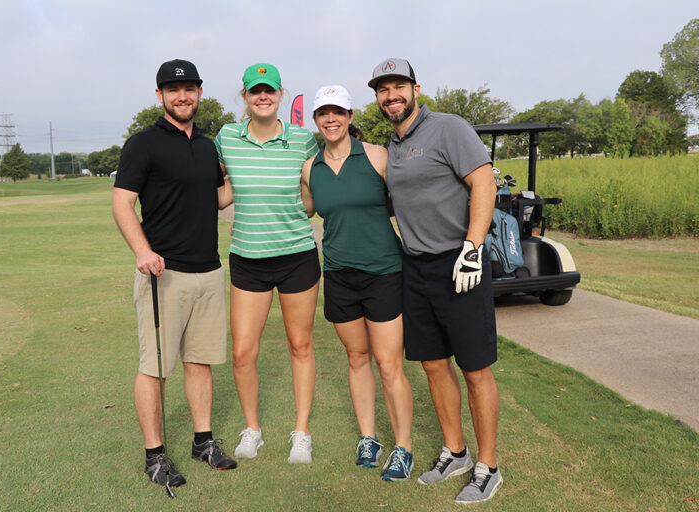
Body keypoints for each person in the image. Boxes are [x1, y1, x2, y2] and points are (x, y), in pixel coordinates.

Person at [367, 58, 503, 504]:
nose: (392, 96)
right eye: (384, 90)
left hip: (460, 261)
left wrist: (473, 246)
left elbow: (484, 182)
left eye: (399, 86)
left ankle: (488, 467)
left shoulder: (448, 127)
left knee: (475, 368)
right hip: (417, 267)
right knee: (432, 363)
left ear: (415, 88)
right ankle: (456, 451)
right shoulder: (394, 144)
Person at [112, 59, 236, 489]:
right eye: (173, 89)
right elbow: (122, 203)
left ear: (200, 92)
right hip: (163, 273)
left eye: (189, 88)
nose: (182, 95)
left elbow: (217, 198)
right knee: (155, 367)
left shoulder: (207, 147)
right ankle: (155, 455)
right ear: (160, 95)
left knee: (200, 362)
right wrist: (142, 251)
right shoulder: (142, 144)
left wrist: (258, 177)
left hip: (209, 271)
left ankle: (203, 442)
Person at [300, 85, 414, 481]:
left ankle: (403, 447)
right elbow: (303, 209)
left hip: (383, 271)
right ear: (316, 121)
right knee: (357, 358)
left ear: (350, 117)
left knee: (388, 363)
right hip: (338, 273)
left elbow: (410, 202)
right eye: (322, 113)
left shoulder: (378, 157)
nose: (330, 119)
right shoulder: (309, 168)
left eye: (338, 112)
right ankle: (369, 437)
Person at [214, 63, 320, 464]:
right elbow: (220, 187)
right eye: (255, 91)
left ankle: (301, 432)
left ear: (279, 94)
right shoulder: (226, 137)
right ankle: (253, 430)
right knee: (243, 352)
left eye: (270, 91)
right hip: (248, 258)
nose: (263, 97)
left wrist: (300, 210)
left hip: (296, 256)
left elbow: (313, 191)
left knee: (300, 344)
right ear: (245, 96)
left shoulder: (302, 139)